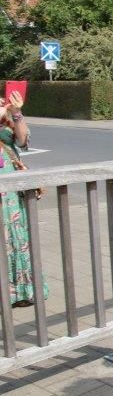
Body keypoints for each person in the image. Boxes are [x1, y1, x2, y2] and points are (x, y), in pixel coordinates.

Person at [1, 89, 47, 307]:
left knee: (16, 236)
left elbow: (21, 140)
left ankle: (21, 291)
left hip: (10, 190)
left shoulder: (4, 113)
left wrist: (16, 113)